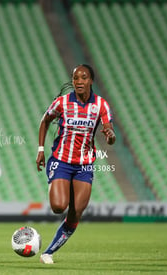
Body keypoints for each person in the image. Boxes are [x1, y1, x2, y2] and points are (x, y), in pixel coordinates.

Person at [36, 64, 116, 264]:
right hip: (61, 160)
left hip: (84, 165)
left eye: (83, 77)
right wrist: (40, 150)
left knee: (76, 213)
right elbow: (45, 121)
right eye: (75, 78)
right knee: (58, 206)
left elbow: (110, 132)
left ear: (91, 81)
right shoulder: (62, 102)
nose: (79, 81)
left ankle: (48, 252)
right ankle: (62, 185)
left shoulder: (101, 105)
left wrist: (110, 136)